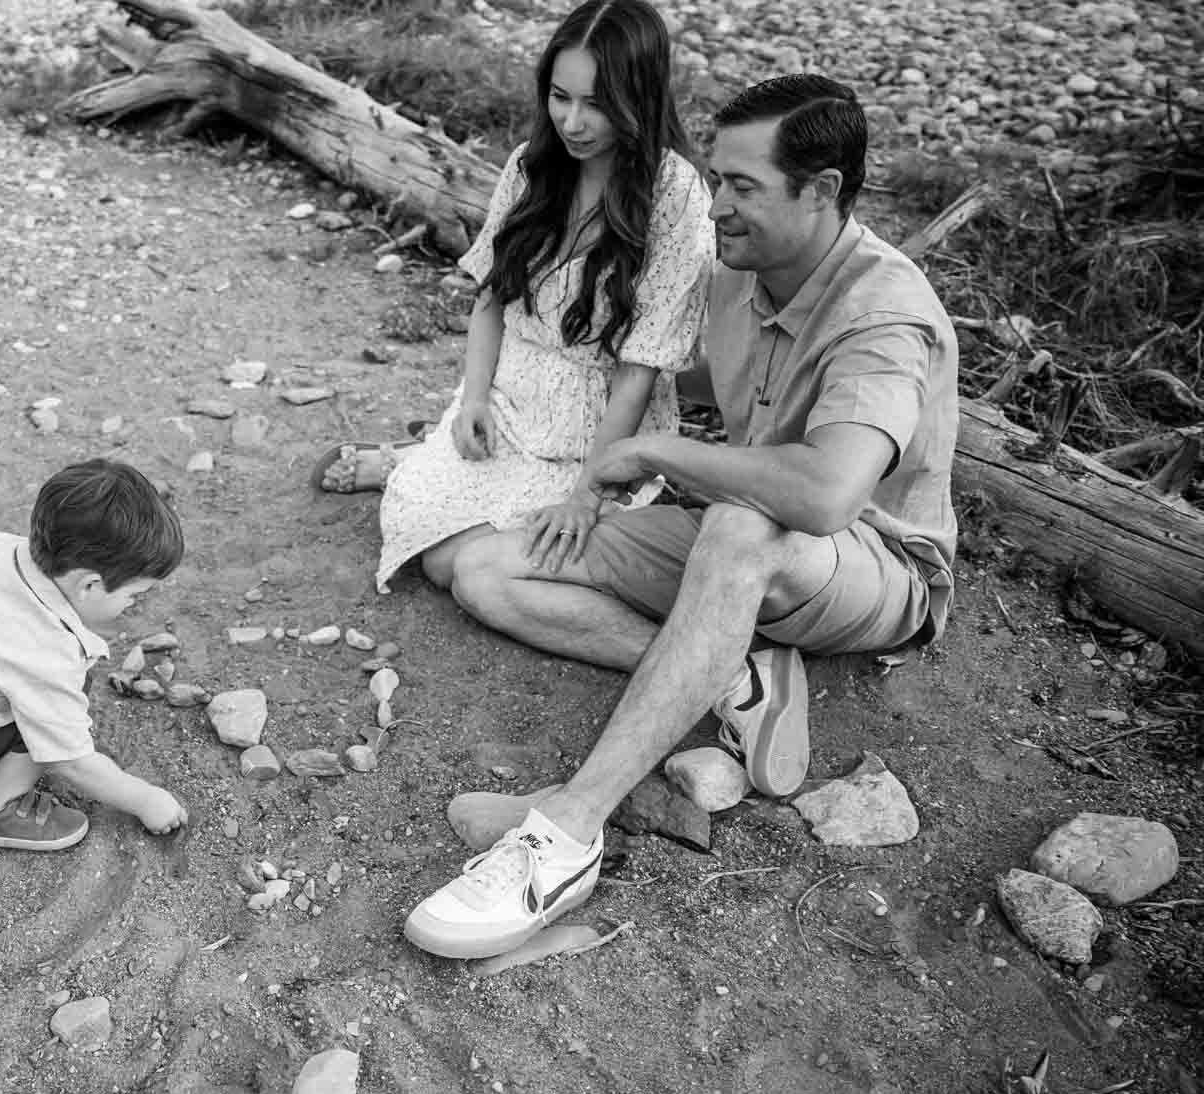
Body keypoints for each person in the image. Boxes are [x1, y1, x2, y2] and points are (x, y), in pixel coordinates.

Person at [403, 74, 959, 959]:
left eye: (742, 187)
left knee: (744, 526)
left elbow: (822, 497)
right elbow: (647, 360)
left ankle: (569, 830)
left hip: (874, 569)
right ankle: (740, 675)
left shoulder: (882, 315)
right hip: (745, 534)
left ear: (821, 192)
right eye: (715, 179)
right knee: (483, 565)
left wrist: (648, 455)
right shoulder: (739, 276)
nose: (717, 206)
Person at [315, 0, 714, 596]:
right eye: (560, 97)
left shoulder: (676, 195)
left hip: (597, 431)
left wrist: (588, 493)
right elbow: (490, 297)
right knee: (429, 539)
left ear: (640, 98)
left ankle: (409, 460)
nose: (573, 123)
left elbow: (640, 369)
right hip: (508, 399)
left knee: (457, 564)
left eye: (597, 105)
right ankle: (416, 457)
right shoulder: (532, 166)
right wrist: (474, 397)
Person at [0, 458, 190, 852]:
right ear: (90, 585)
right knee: (63, 701)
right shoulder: (47, 652)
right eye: (133, 595)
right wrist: (147, 800)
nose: (134, 605)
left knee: (47, 686)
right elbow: (70, 762)